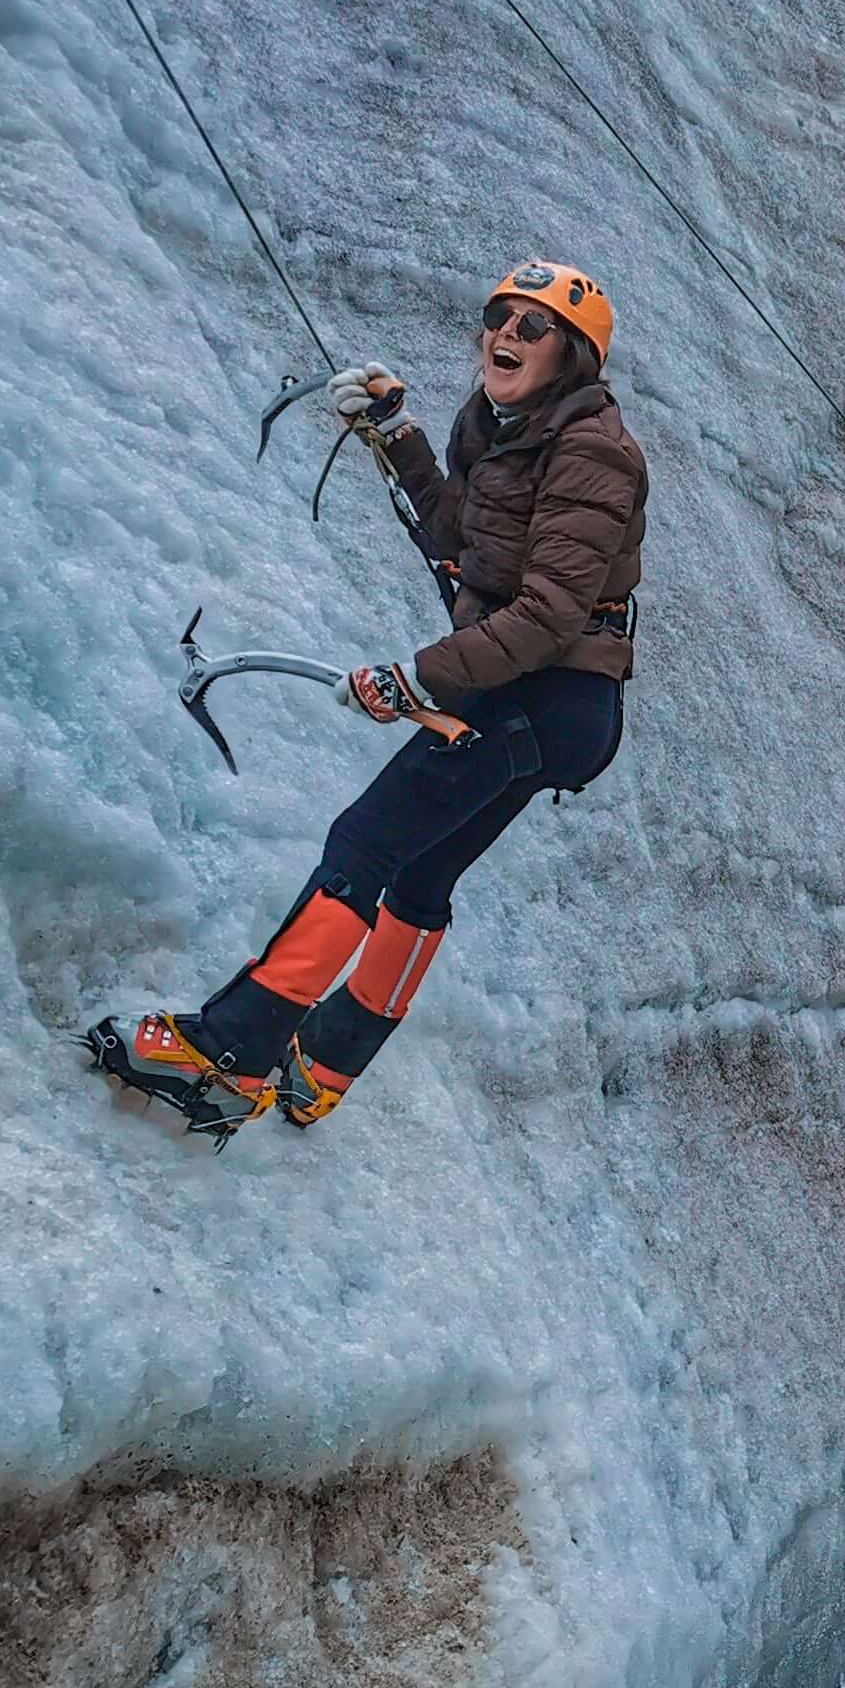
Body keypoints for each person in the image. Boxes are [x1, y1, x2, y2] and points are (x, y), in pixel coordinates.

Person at [105, 257, 643, 1138]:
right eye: (498, 316)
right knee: (419, 875)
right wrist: (397, 435)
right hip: (545, 702)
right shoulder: (510, 431)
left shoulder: (592, 453)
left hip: (543, 691)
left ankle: (231, 1054)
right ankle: (320, 1071)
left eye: (532, 326)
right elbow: (463, 542)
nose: (505, 334)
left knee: (365, 842)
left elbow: (548, 612)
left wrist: (419, 677)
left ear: (574, 356)